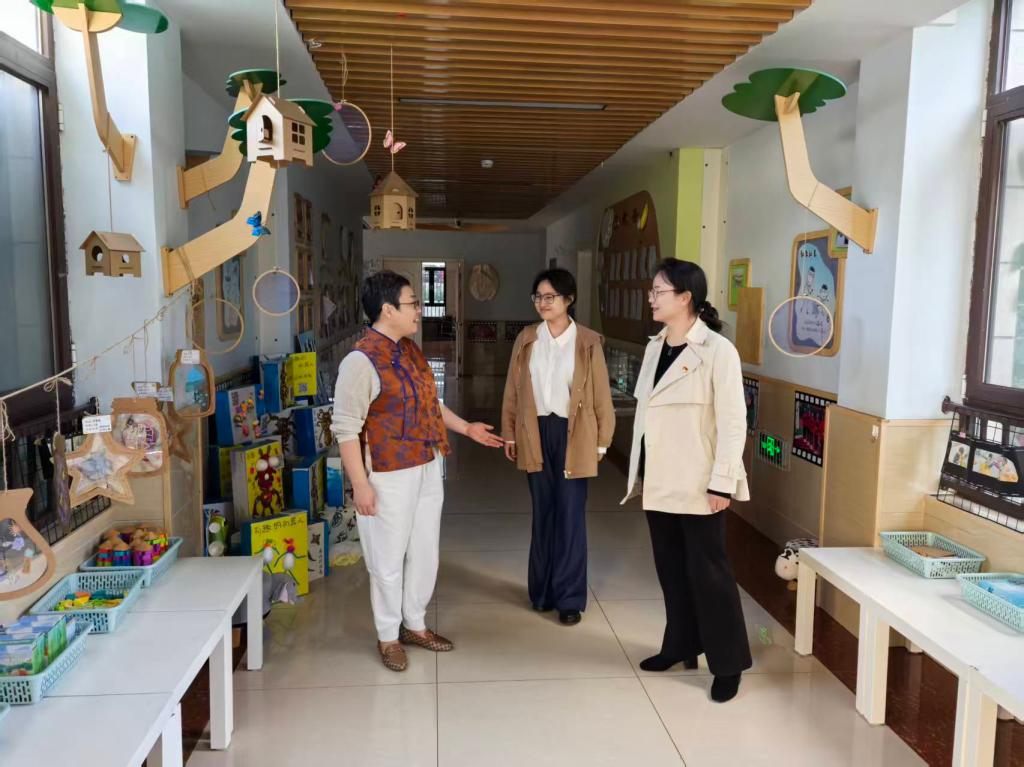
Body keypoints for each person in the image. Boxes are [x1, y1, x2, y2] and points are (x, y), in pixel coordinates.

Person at [332, 270, 504, 672]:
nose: (419, 310)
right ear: (387, 309)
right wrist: (360, 485)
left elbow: (431, 404)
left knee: (425, 551)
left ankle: (415, 624)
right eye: (412, 303)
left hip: (426, 464)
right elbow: (346, 429)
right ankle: (388, 635)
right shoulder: (360, 361)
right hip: (387, 473)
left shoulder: (409, 349)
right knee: (387, 558)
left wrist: (467, 428)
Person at [622, 258, 752, 703]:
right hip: (660, 480)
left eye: (659, 291)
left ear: (685, 298)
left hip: (700, 483)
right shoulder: (655, 346)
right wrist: (639, 472)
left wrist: (723, 482)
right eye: (652, 290)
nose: (651, 298)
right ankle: (679, 645)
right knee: (671, 570)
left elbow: (733, 423)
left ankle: (728, 663)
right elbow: (647, 415)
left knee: (709, 574)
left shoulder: (718, 350)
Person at [501, 268, 615, 625]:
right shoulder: (527, 339)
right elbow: (513, 390)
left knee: (570, 515)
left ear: (569, 299)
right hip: (535, 431)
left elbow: (601, 394)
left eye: (550, 296)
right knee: (543, 512)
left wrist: (602, 440)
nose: (543, 303)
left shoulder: (588, 342)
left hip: (574, 434)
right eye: (538, 296)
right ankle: (541, 592)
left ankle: (569, 599)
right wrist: (509, 433)